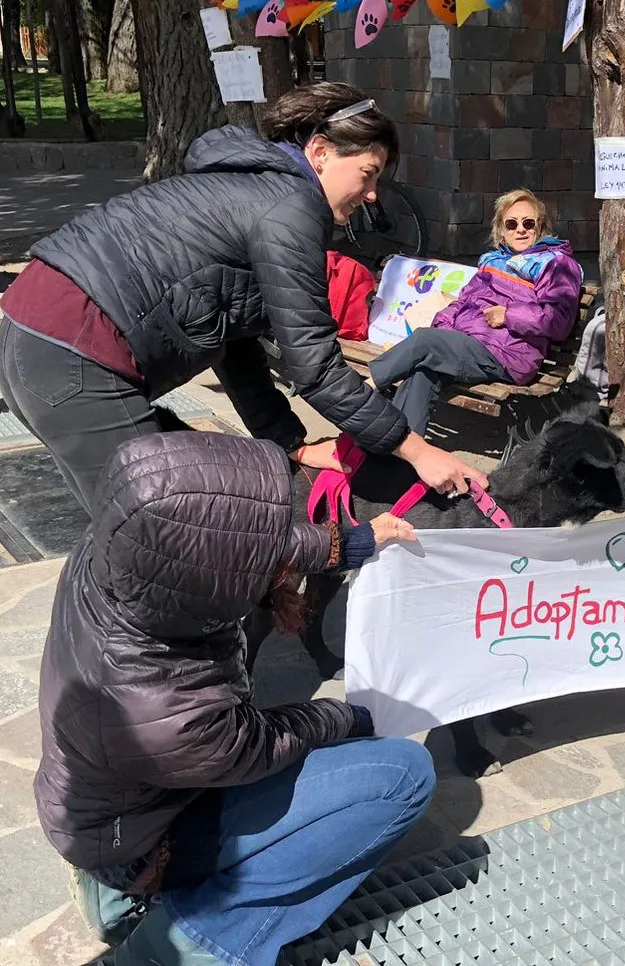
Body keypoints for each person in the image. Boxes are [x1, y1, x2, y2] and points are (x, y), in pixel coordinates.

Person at [36, 431, 433, 966]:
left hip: (116, 812)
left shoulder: (120, 552)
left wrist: (351, 542)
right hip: (143, 848)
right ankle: (190, 942)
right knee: (402, 774)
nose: (275, 549)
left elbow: (233, 542)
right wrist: (352, 717)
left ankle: (113, 895)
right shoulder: (156, 704)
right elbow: (265, 742)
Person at [0, 82, 484, 515]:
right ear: (320, 151)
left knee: (141, 528)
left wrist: (289, 443)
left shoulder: (255, 188)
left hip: (31, 337)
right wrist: (417, 450)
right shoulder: (292, 206)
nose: (373, 194)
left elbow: (235, 340)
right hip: (73, 352)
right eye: (368, 173)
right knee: (168, 534)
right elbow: (316, 367)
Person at [368, 189, 584, 433]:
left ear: (540, 227)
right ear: (501, 230)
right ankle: (399, 446)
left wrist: (508, 315)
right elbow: (462, 302)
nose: (520, 230)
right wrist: (444, 330)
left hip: (507, 353)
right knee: (423, 371)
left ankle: (364, 389)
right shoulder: (493, 262)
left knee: (424, 340)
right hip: (469, 345)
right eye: (511, 224)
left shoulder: (555, 263)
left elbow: (559, 319)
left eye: (528, 223)